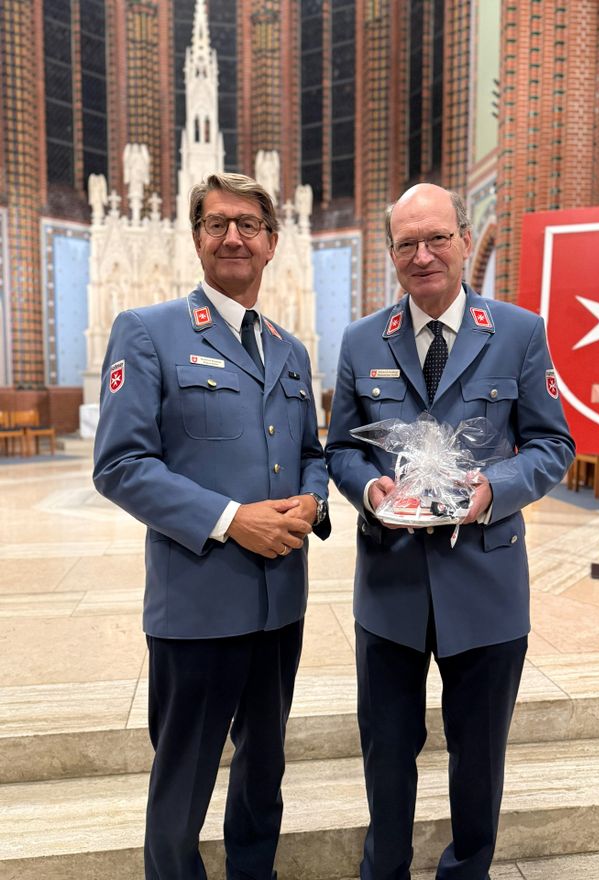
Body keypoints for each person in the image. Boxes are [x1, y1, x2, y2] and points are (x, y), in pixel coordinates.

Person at [325, 183, 574, 880]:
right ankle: (387, 871)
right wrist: (369, 488)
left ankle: (467, 870)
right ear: (392, 253)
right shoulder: (361, 340)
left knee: (479, 754)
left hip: (486, 585)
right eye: (407, 243)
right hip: (391, 587)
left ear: (465, 239)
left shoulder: (520, 332)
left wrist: (496, 488)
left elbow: (554, 445)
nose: (423, 255)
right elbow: (340, 448)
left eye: (437, 238)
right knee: (387, 752)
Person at [93, 171, 330, 880]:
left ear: (271, 243)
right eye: (216, 223)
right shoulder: (148, 332)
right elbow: (121, 465)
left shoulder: (291, 351)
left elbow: (313, 455)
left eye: (248, 225)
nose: (233, 236)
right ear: (196, 238)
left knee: (263, 776)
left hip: (279, 606)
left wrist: (313, 500)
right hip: (195, 607)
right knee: (182, 788)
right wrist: (230, 520)